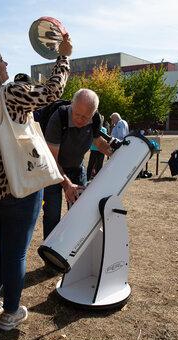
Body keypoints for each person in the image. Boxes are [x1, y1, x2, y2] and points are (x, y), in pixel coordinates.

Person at [0, 35, 73, 331]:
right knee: (16, 250)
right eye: (0, 59)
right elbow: (52, 91)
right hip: (18, 181)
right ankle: (10, 312)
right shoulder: (8, 93)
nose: (5, 63)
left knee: (4, 245)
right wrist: (64, 57)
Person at [42, 89, 113, 240]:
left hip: (76, 167)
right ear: (72, 105)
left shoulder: (95, 120)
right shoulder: (58, 118)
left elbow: (99, 142)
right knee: (52, 214)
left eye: (86, 117)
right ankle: (50, 253)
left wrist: (114, 154)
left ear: (94, 113)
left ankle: (74, 247)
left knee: (79, 211)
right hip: (54, 170)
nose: (80, 120)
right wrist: (67, 184)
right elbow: (51, 160)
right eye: (77, 115)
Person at [86, 116, 107, 181]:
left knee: (91, 165)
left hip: (94, 149)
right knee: (99, 165)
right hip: (101, 149)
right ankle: (98, 179)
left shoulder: (93, 128)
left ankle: (87, 178)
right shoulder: (104, 129)